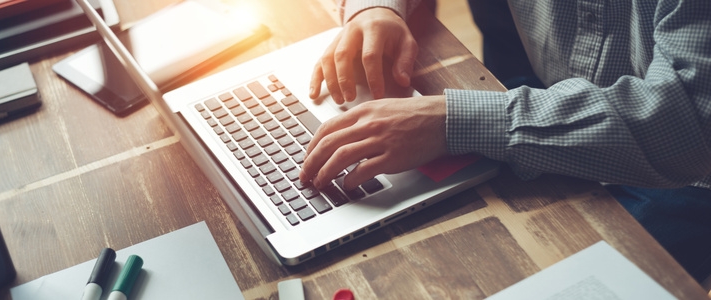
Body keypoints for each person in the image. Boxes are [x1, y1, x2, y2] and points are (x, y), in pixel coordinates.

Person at [298, 0, 711, 282]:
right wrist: (376, 9)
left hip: (684, 180)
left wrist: (453, 121)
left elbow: (690, 120)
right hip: (519, 86)